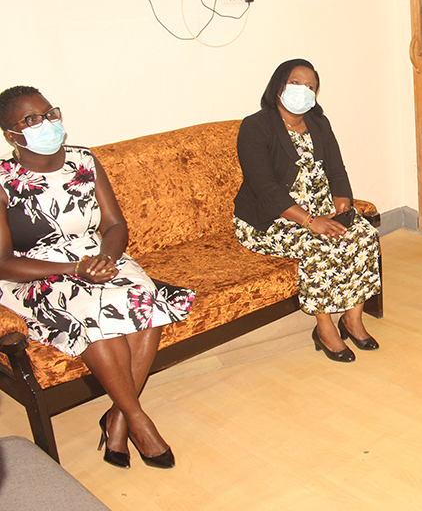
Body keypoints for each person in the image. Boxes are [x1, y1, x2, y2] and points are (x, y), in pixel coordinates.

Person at [0, 86, 194, 469]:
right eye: (32, 120)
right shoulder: (4, 181)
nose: (48, 123)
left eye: (50, 113)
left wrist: (105, 258)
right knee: (94, 313)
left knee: (144, 298)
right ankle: (138, 420)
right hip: (39, 272)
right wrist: (75, 269)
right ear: (11, 136)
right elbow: (2, 261)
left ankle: (117, 417)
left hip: (99, 256)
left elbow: (115, 223)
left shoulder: (83, 161)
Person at [233, 59, 381, 363]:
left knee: (364, 234)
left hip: (320, 210)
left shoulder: (318, 123)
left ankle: (352, 319)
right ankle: (324, 327)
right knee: (321, 244)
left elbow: (337, 168)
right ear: (278, 87)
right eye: (296, 83)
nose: (304, 90)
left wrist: (343, 203)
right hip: (271, 220)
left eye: (311, 86)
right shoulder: (256, 126)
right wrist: (311, 221)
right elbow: (265, 188)